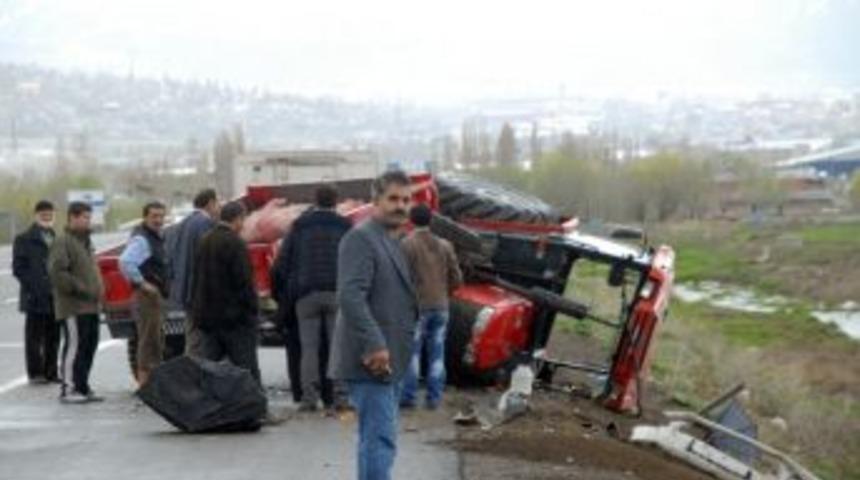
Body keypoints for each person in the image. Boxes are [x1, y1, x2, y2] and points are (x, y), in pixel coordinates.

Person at [329, 170, 419, 480]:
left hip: (390, 358)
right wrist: (375, 344)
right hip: (371, 359)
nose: (401, 206)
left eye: (406, 200)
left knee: (378, 439)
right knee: (380, 438)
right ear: (375, 201)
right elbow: (350, 296)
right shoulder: (360, 238)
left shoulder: (392, 240)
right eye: (393, 198)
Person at [272, 185, 352, 412]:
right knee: (338, 347)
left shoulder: (299, 226)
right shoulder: (345, 226)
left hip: (306, 294)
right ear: (335, 202)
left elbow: (282, 263)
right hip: (337, 292)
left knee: (309, 349)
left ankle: (309, 398)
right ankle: (341, 398)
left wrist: (286, 291)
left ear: (315, 201)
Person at [399, 203, 463, 410]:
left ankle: (408, 397)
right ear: (431, 221)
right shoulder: (445, 245)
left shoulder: (406, 245)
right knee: (437, 353)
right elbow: (457, 278)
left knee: (413, 353)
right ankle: (434, 398)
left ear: (411, 220)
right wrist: (445, 292)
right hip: (441, 306)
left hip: (417, 307)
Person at [191, 201, 261, 384]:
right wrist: (252, 311)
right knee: (246, 367)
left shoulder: (205, 240)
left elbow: (197, 277)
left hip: (208, 318)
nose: (244, 224)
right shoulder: (236, 243)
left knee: (208, 369)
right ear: (237, 219)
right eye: (243, 219)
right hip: (234, 319)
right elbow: (244, 282)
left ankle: (204, 406)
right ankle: (254, 406)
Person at [49, 201, 104, 403]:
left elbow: (93, 272)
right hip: (73, 306)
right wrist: (81, 289)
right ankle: (69, 389)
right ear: (72, 217)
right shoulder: (63, 241)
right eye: (85, 217)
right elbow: (57, 272)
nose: (88, 221)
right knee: (75, 345)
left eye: (89, 217)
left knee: (89, 346)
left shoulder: (86, 242)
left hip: (91, 306)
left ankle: (82, 386)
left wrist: (99, 292)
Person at [119, 201, 168, 386]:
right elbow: (125, 262)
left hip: (154, 296)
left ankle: (151, 386)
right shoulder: (143, 239)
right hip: (147, 297)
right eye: (154, 216)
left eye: (161, 216)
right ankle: (145, 387)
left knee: (155, 341)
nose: (158, 220)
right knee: (149, 342)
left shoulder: (155, 236)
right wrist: (144, 284)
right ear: (145, 217)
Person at [12, 200, 60, 384]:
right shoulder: (24, 239)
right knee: (34, 338)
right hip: (34, 296)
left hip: (55, 296)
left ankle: (51, 372)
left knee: (54, 336)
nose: (47, 217)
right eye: (44, 214)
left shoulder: (55, 236)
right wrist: (35, 287)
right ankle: (36, 374)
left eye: (50, 214)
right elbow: (18, 268)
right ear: (36, 215)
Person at [166, 188, 219, 356]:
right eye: (218, 203)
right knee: (200, 341)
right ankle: (195, 376)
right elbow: (209, 258)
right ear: (211, 203)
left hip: (186, 291)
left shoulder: (184, 223)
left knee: (192, 336)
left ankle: (191, 372)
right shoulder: (204, 224)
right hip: (199, 291)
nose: (219, 208)